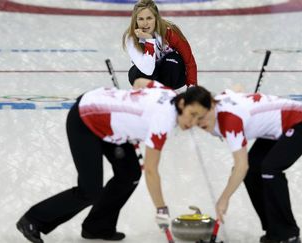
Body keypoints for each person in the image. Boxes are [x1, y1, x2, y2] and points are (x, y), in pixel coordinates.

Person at [16, 82, 213, 243]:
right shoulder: (162, 121)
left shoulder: (167, 92)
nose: (194, 122)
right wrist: (161, 209)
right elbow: (152, 171)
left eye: (199, 117)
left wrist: (132, 113)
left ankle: (97, 227)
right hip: (86, 119)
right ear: (181, 104)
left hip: (111, 126)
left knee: (129, 175)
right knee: (90, 190)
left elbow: (140, 83)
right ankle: (33, 220)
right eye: (192, 114)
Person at [198, 89, 302, 243]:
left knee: (270, 170)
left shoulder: (230, 120)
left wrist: (224, 199)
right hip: (276, 128)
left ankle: (289, 235)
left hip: (300, 122)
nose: (199, 122)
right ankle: (274, 231)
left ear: (211, 106)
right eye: (195, 118)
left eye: (201, 117)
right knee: (253, 170)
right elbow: (237, 88)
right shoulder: (219, 102)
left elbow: (241, 166)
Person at [122, 0, 197, 91]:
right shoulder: (131, 37)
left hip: (171, 73)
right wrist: (149, 40)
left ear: (156, 18)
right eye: (141, 19)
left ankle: (165, 95)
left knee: (173, 60)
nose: (145, 23)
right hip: (147, 75)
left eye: (149, 18)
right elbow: (148, 70)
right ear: (135, 20)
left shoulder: (170, 32)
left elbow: (189, 60)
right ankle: (148, 97)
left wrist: (192, 88)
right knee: (137, 71)